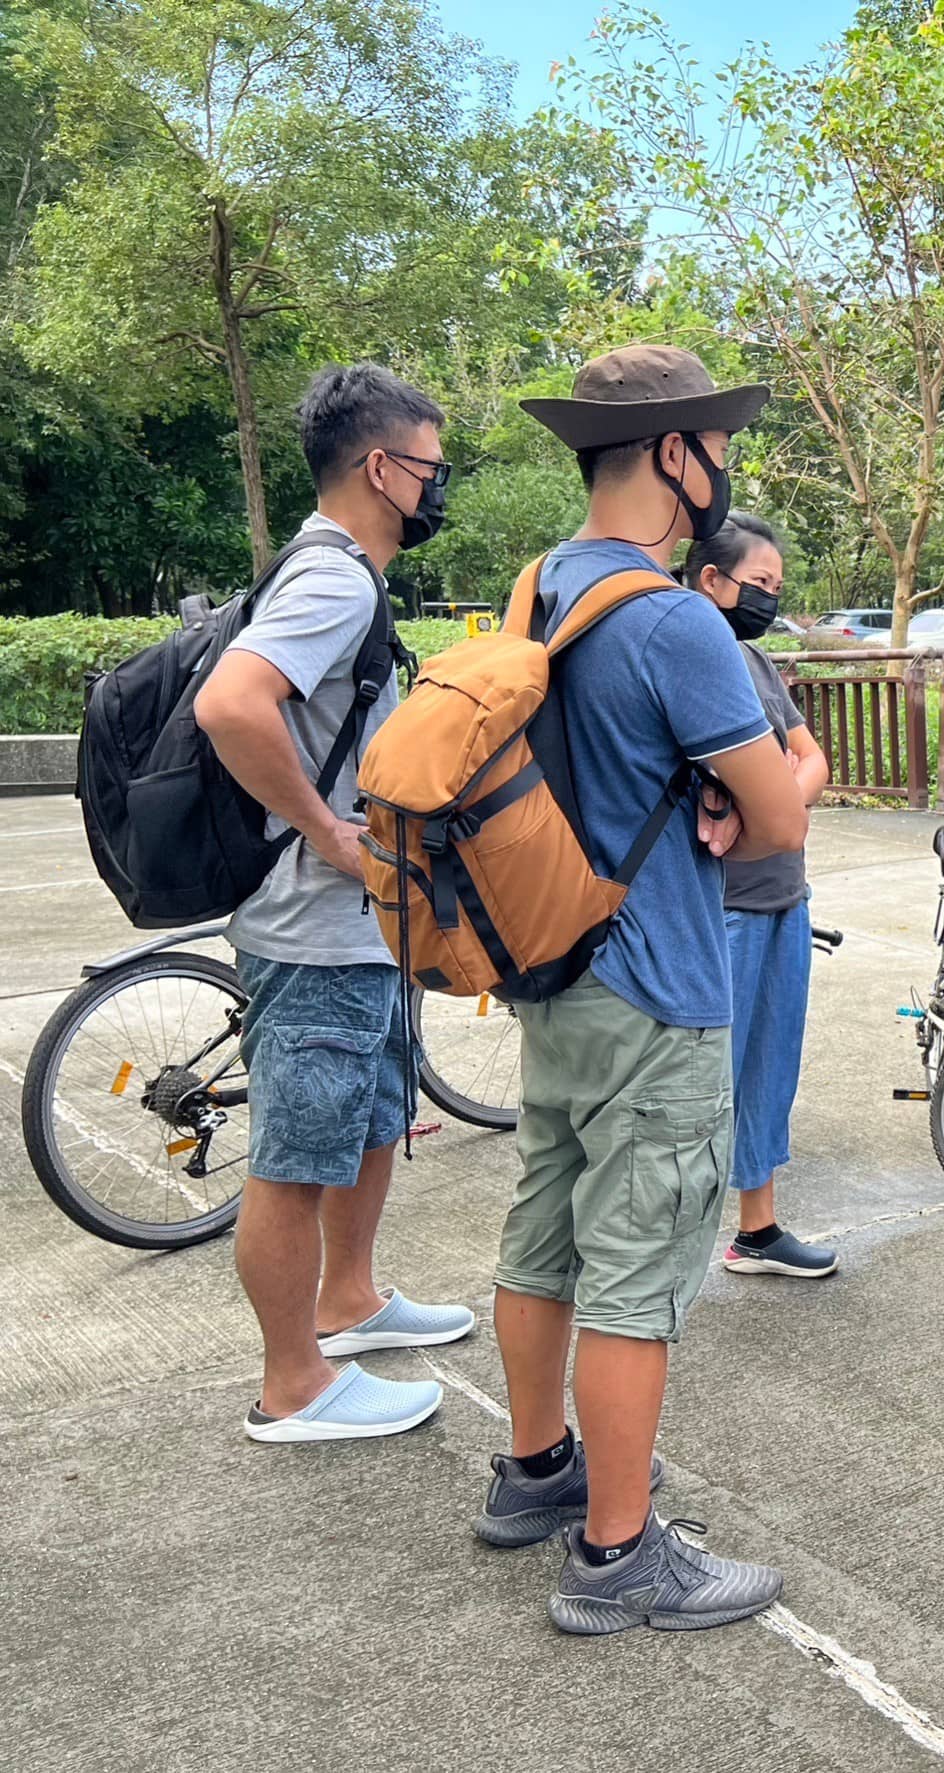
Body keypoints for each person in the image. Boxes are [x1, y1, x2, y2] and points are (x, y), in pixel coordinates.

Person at [475, 345, 810, 1635]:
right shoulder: (673, 617)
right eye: (715, 443)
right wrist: (746, 791)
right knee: (637, 1271)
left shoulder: (539, 586)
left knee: (542, 1228)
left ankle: (537, 1471)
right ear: (678, 456)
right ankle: (620, 1555)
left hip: (551, 965)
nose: (725, 468)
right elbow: (777, 816)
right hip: (659, 982)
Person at [194, 363, 473, 1444]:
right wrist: (326, 831)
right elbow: (233, 704)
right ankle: (292, 1385)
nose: (438, 486)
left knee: (368, 1119)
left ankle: (347, 1303)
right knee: (298, 1156)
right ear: (380, 467)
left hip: (352, 931)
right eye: (433, 467)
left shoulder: (338, 570)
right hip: (313, 925)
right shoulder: (335, 580)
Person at [679, 510, 838, 1281]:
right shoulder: (697, 656)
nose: (769, 599)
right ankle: (676, 1238)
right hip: (726, 901)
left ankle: (759, 1225)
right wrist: (774, 800)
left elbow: (810, 758)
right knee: (710, 1075)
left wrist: (778, 804)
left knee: (770, 1065)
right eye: (759, 583)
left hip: (782, 893)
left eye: (776, 586)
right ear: (711, 579)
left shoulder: (756, 661)